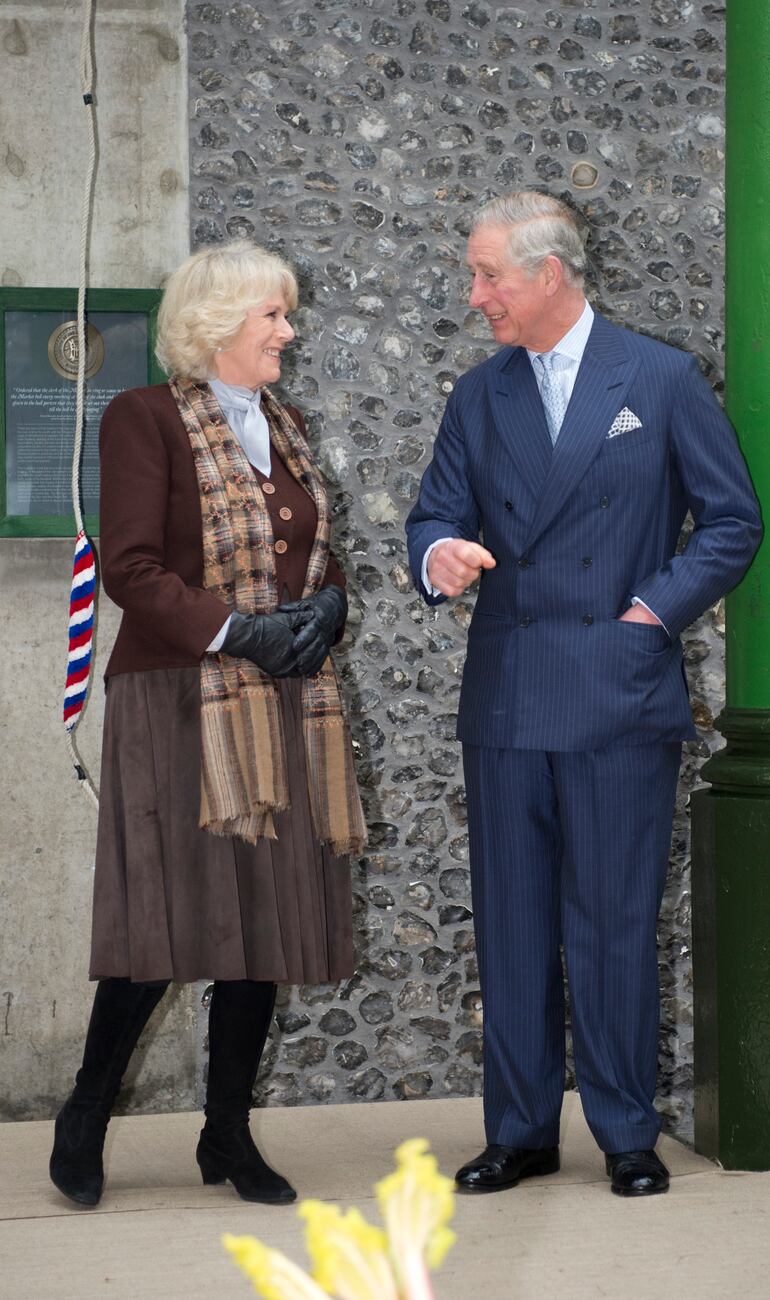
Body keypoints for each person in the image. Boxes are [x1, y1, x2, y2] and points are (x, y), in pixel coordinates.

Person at [406, 191, 762, 1197]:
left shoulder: (657, 377)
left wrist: (649, 610)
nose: (474, 296)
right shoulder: (479, 395)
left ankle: (622, 1129)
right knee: (512, 919)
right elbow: (432, 509)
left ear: (546, 273)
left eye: (486, 276)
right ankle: (517, 1129)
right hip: (510, 694)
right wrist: (437, 553)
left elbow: (730, 522)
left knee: (610, 922)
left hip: (616, 691)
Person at [50, 239, 366, 1208]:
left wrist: (326, 612)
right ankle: (87, 1109)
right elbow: (132, 570)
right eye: (273, 314)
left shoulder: (286, 420)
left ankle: (225, 1132)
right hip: (179, 697)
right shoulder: (143, 418)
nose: (288, 329)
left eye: (285, 313)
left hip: (280, 698)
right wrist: (238, 630)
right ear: (218, 322)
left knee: (263, 915)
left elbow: (307, 555)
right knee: (166, 915)